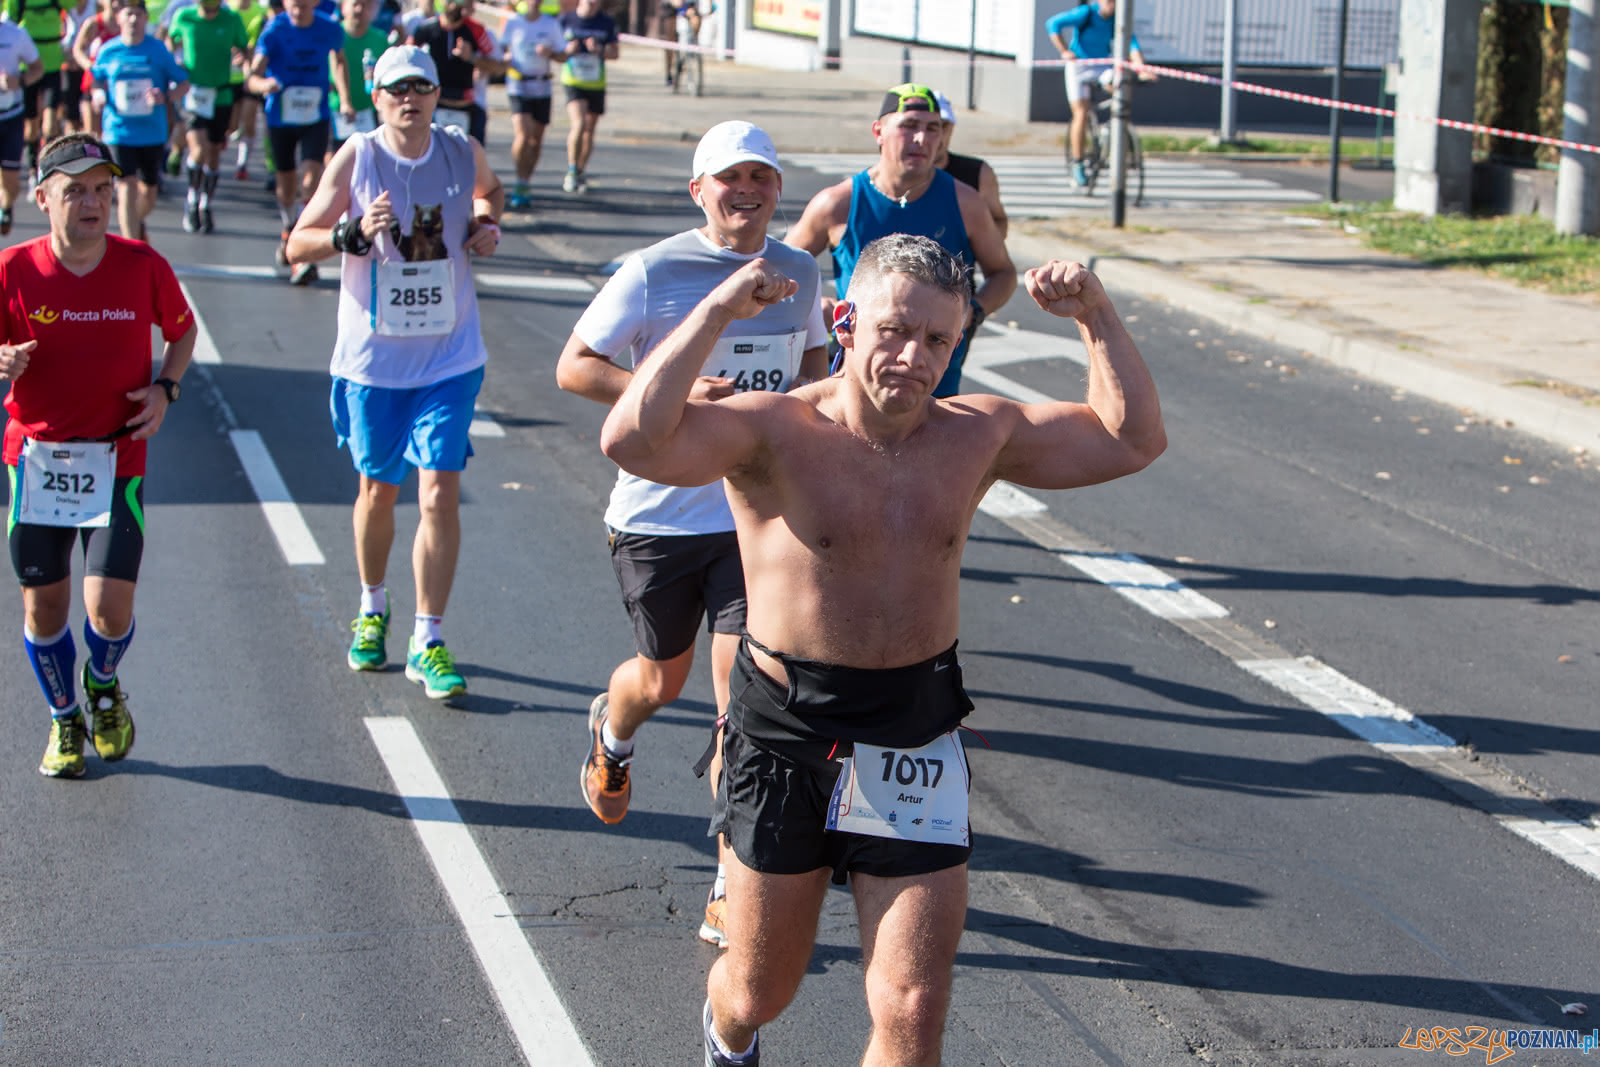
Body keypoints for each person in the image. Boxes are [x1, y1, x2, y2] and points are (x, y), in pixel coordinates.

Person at [598, 232, 1164, 1066]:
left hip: (914, 732)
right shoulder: (773, 430)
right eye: (895, 331)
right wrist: (718, 309)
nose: (913, 356)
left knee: (912, 1005)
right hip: (786, 732)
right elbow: (633, 442)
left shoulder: (978, 433)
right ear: (845, 321)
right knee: (760, 989)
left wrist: (1096, 314)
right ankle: (726, 1038)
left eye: (938, 339)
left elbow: (1131, 439)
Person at [556, 119, 827, 949]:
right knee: (659, 681)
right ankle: (614, 729)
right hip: (659, 519)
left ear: (777, 190)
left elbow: (810, 367)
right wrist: (668, 388)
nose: (746, 191)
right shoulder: (653, 272)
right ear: (698, 190)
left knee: (742, 705)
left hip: (755, 521)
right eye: (729, 178)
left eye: (762, 178)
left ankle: (727, 884)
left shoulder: (799, 270)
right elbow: (575, 365)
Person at [285, 45, 503, 700]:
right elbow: (298, 241)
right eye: (395, 89)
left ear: (439, 95)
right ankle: (372, 604)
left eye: (421, 87)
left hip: (450, 358)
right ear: (376, 98)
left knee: (438, 489)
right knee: (378, 492)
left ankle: (428, 636)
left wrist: (489, 224)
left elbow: (489, 194)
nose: (409, 98)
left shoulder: (460, 150)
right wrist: (350, 233)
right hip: (374, 363)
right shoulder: (358, 157)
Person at [0, 133, 196, 778]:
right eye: (76, 190)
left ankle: (104, 686)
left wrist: (166, 388)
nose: (93, 203)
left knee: (108, 610)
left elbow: (182, 327)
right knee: (43, 608)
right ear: (42, 198)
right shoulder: (13, 270)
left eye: (103, 191)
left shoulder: (141, 265)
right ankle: (64, 719)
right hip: (36, 461)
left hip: (116, 459)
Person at [787, 82, 1015, 399]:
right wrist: (813, 311)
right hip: (856, 389)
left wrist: (972, 313)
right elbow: (780, 269)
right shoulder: (838, 203)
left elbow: (1003, 273)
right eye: (908, 127)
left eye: (933, 129)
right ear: (878, 131)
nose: (922, 139)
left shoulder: (966, 202)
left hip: (936, 389)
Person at [247, 0, 347, 285]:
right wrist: (264, 85)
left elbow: (339, 63)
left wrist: (345, 98)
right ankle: (289, 226)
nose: (298, 7)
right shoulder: (274, 30)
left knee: (311, 178)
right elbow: (252, 77)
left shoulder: (328, 27)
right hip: (280, 116)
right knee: (286, 185)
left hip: (315, 115)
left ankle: (302, 242)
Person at [91, 0, 189, 241]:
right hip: (118, 130)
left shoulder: (158, 50)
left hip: (152, 131)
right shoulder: (108, 50)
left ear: (146, 19)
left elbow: (183, 83)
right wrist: (98, 94)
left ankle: (135, 220)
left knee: (149, 192)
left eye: (138, 15)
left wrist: (165, 96)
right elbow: (95, 79)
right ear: (119, 18)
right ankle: (131, 242)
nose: (134, 20)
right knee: (126, 186)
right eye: (129, 15)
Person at [1045, 0, 1146, 188]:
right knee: (1081, 113)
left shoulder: (1118, 18)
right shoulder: (1086, 13)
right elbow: (1053, 24)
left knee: (1120, 85)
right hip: (1079, 66)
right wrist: (1064, 51)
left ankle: (1112, 133)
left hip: (1101, 65)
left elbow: (1132, 43)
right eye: (1109, 1)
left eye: (1116, 2)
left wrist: (1141, 67)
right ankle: (1078, 162)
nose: (1112, 5)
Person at [167, 0, 247, 232]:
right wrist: (174, 62)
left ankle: (205, 204)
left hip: (221, 94)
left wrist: (244, 59)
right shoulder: (184, 17)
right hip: (195, 93)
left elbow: (243, 46)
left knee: (213, 155)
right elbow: (169, 39)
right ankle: (191, 200)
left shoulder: (231, 19)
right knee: (199, 150)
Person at [496, 0, 560, 208]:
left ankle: (527, 179)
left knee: (536, 140)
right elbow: (502, 48)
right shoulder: (513, 23)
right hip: (518, 85)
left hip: (542, 85)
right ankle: (520, 180)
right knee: (523, 135)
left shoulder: (550, 24)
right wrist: (505, 57)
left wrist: (550, 53)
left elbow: (564, 53)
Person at [407, 0, 497, 144]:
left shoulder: (476, 30)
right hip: (434, 102)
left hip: (465, 103)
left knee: (473, 156)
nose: (454, 5)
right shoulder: (425, 29)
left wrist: (472, 58)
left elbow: (497, 66)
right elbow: (407, 60)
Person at [6, 0, 76, 179]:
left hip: (52, 67)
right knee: (31, 128)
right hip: (28, 68)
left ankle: (49, 167)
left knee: (51, 124)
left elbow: (76, 9)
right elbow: (9, 25)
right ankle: (31, 168)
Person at [555, 0, 614, 194]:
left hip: (596, 82)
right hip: (573, 81)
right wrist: (567, 51)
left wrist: (600, 50)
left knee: (589, 130)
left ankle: (581, 169)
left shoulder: (606, 22)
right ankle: (571, 169)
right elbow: (557, 53)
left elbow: (615, 52)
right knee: (578, 124)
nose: (594, 4)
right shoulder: (566, 20)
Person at [933, 90, 1006, 239]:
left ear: (952, 127)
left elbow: (998, 220)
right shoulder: (891, 178)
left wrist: (981, 245)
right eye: (929, 127)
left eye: (944, 125)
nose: (936, 134)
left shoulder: (978, 173)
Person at [0, 20, 46, 234]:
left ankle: (6, 205)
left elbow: (38, 68)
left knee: (10, 180)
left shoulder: (16, 34)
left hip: (10, 116)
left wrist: (18, 81)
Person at [327, 0, 389, 154]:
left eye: (365, 5)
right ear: (343, 8)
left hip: (368, 110)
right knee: (334, 158)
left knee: (367, 159)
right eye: (355, 4)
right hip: (335, 109)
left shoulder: (380, 39)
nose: (359, 9)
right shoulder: (331, 35)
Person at [225, 0, 267, 177]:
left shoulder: (261, 11)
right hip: (229, 76)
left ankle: (242, 164)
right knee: (233, 126)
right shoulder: (226, 9)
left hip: (251, 73)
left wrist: (250, 60)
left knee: (249, 119)